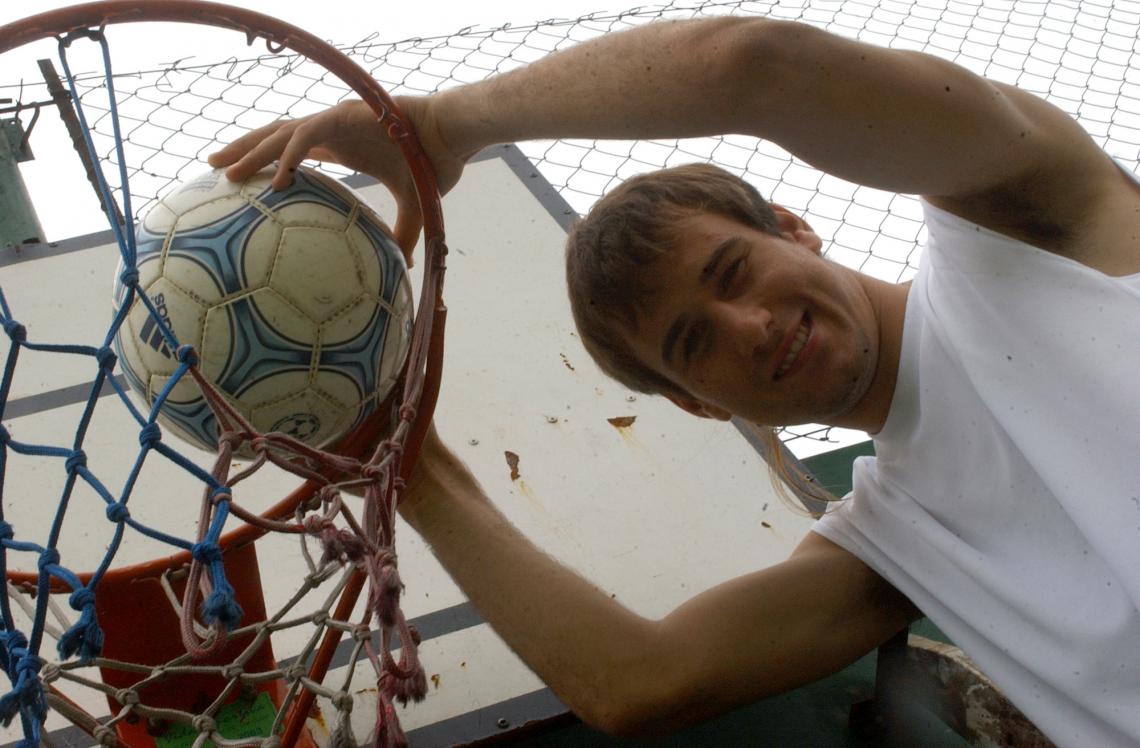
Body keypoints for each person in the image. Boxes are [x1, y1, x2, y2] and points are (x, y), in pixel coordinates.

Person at [210, 16, 1140, 746]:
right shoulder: (899, 543)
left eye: (734, 271)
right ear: (700, 405)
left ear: (791, 223)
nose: (751, 326)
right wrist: (404, 461)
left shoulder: (1018, 224)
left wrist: (444, 125)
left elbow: (754, 63)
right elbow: (640, 682)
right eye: (695, 345)